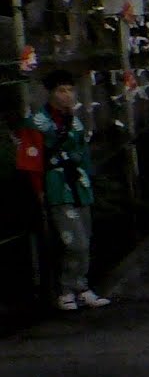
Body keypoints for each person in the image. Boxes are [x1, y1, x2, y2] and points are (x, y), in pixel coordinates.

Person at [16, 70, 111, 311]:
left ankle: (82, 286)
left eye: (70, 89)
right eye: (61, 90)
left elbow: (84, 155)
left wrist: (89, 179)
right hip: (57, 186)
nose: (67, 95)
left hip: (78, 184)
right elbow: (31, 160)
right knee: (73, 241)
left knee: (85, 238)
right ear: (51, 93)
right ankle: (66, 288)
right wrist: (39, 191)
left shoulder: (76, 121)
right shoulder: (37, 122)